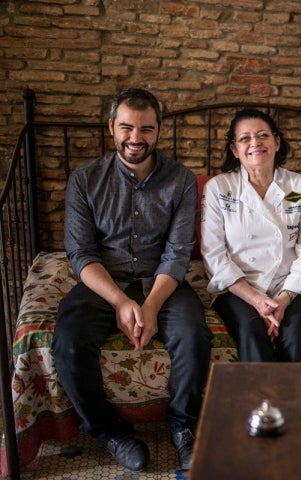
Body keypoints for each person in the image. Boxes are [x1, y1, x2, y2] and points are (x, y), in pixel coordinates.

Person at [51, 88, 213, 472]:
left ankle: (183, 426)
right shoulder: (85, 180)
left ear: (159, 130)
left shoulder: (182, 180)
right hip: (103, 280)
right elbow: (81, 254)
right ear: (111, 128)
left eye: (146, 129)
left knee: (194, 336)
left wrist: (152, 304)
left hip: (161, 280)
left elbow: (177, 253)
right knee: (68, 340)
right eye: (126, 128)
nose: (135, 138)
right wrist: (122, 303)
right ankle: (107, 430)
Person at [201, 108, 301, 362]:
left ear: (277, 142)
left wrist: (283, 300)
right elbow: (214, 255)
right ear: (234, 149)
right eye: (245, 138)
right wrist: (256, 299)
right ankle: (258, 402)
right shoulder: (219, 188)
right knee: (252, 333)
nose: (255, 143)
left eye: (263, 135)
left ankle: (293, 402)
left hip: (289, 288)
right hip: (239, 289)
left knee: (298, 336)